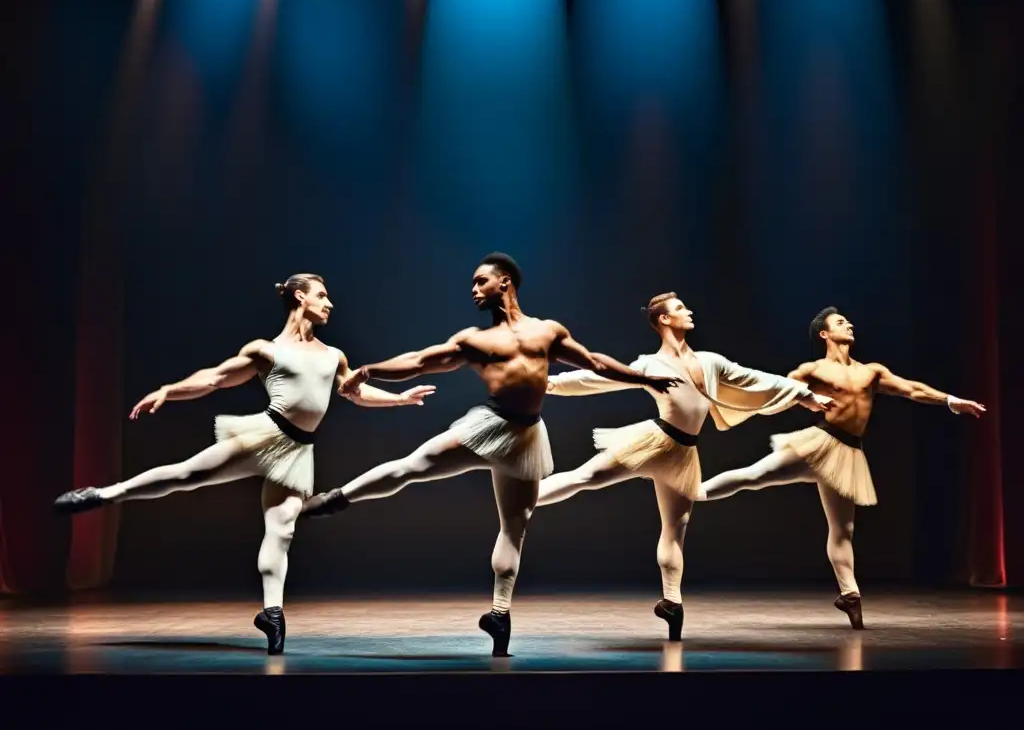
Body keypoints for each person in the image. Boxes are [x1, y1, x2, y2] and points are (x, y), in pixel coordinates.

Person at [300, 253, 679, 656]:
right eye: (472, 283)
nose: (474, 290)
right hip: (489, 426)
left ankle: (499, 615)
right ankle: (337, 498)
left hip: (527, 436)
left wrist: (643, 377)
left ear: (505, 283)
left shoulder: (547, 332)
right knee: (413, 466)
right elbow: (418, 362)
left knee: (515, 528)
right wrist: (370, 370)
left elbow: (595, 362)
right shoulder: (475, 340)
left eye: (481, 281)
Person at [53, 274, 435, 655]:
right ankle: (103, 494)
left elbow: (355, 390)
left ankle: (272, 612)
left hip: (298, 451)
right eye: (322, 295)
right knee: (188, 474)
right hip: (264, 435)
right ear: (299, 297)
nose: (329, 303)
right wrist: (169, 391)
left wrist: (399, 399)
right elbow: (215, 378)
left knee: (283, 528)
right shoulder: (266, 351)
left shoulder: (333, 355)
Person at [542, 292, 832, 640]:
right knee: (585, 477)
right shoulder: (650, 364)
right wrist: (550, 384)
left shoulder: (710, 361)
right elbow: (599, 379)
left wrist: (806, 396)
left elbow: (756, 377)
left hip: (683, 454)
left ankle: (672, 603)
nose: (689, 311)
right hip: (653, 441)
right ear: (664, 320)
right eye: (680, 308)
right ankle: (523, 500)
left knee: (676, 529)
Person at [697, 306, 986, 628]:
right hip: (819, 443)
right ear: (824, 334)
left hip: (847, 454)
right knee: (754, 476)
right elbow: (776, 389)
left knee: (844, 529)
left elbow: (911, 388)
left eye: (848, 321)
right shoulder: (814, 368)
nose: (848, 324)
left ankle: (849, 595)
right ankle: (691, 491)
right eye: (840, 322)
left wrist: (949, 401)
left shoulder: (870, 371)